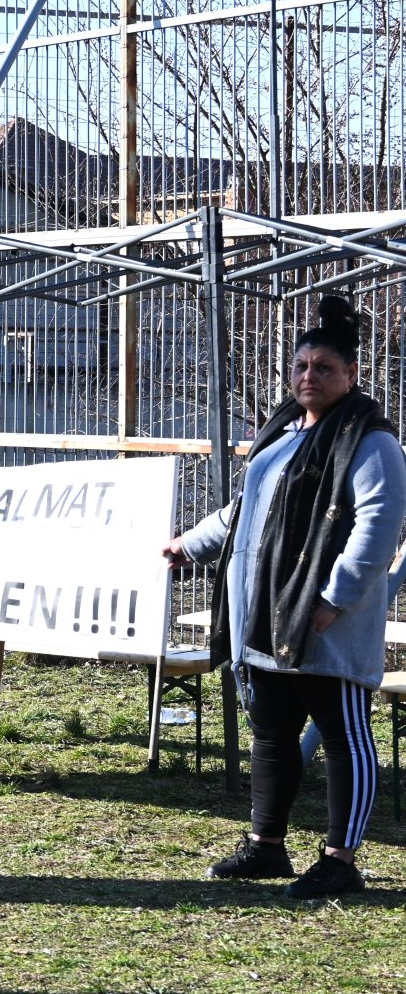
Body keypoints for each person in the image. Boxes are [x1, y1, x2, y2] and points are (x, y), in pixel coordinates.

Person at [164, 295, 405, 899]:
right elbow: (245, 511)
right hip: (264, 614)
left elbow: (378, 526)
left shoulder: (369, 441)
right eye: (300, 366)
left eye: (324, 368)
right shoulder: (281, 432)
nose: (308, 377)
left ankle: (341, 858)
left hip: (324, 620)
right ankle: (268, 846)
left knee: (343, 735)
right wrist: (191, 545)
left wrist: (335, 597)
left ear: (351, 376)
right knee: (271, 733)